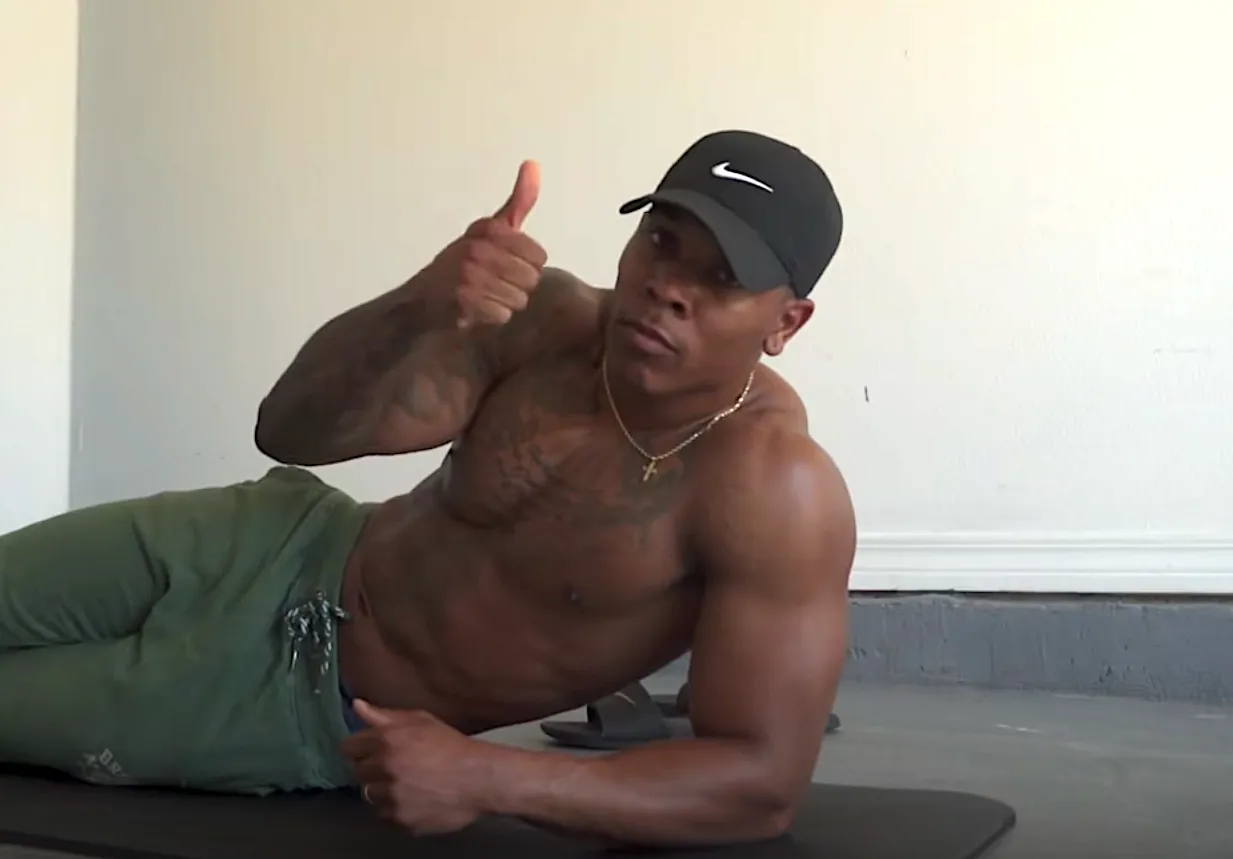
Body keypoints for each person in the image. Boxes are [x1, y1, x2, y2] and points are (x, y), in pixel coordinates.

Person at [0, 129, 854, 848]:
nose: (668, 288)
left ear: (786, 322)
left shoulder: (772, 489)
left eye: (721, 278)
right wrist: (421, 302)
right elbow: (289, 429)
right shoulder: (551, 322)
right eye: (661, 242)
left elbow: (760, 781)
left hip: (295, 699)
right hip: (271, 536)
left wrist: (488, 776)